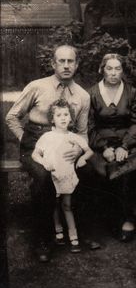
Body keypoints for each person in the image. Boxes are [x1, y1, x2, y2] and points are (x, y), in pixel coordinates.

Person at [6, 45, 90, 262]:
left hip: (65, 144)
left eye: (70, 61)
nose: (66, 65)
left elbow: (82, 132)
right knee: (44, 178)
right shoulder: (37, 86)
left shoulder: (82, 95)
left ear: (76, 64)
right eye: (61, 61)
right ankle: (42, 238)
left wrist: (78, 150)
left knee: (87, 170)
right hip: (36, 144)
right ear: (53, 64)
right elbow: (12, 117)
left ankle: (80, 232)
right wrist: (27, 141)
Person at [78, 53, 136, 242]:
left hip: (127, 142)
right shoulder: (91, 94)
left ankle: (127, 219)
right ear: (102, 70)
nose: (113, 73)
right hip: (100, 143)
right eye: (109, 68)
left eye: (117, 69)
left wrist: (124, 145)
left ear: (123, 71)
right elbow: (88, 125)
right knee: (95, 170)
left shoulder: (132, 92)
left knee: (127, 170)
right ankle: (104, 219)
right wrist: (104, 147)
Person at [32, 99, 94, 253]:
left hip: (67, 176)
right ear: (52, 119)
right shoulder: (47, 137)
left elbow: (89, 151)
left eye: (66, 114)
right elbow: (35, 154)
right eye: (59, 115)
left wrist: (82, 158)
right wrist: (43, 163)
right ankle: (58, 231)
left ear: (71, 118)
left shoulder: (73, 137)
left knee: (67, 206)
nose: (63, 118)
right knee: (53, 204)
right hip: (53, 175)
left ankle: (74, 237)